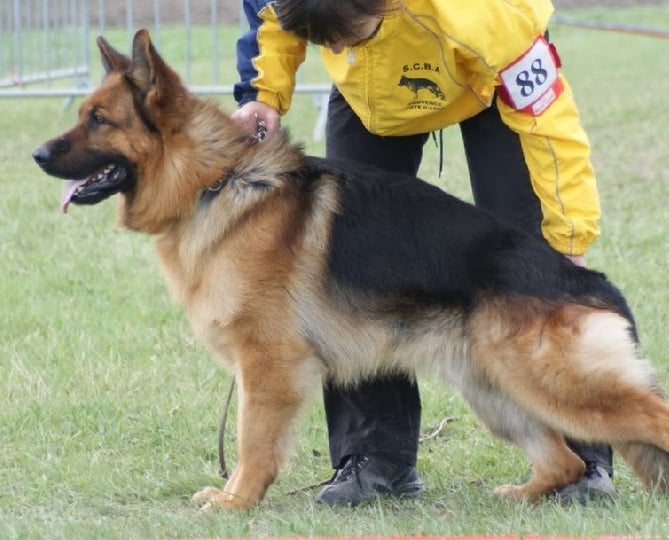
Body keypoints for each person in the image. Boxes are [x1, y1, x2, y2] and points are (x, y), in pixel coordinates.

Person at [232, 0, 614, 507]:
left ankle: (584, 459)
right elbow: (275, 20)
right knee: (349, 269)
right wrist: (264, 95)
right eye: (328, 44)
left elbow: (551, 127)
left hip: (488, 88)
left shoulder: (486, 19)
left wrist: (567, 238)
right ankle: (375, 457)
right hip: (370, 96)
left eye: (350, 36)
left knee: (538, 268)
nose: (338, 49)